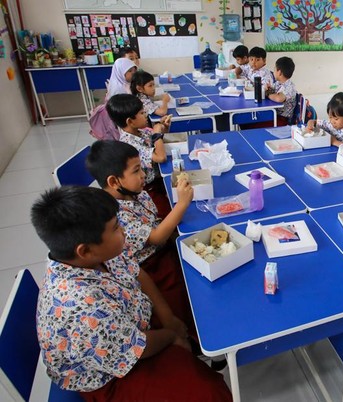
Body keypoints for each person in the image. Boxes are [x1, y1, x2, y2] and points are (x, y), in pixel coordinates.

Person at [31, 186, 232, 401]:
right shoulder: (82, 308)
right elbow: (137, 349)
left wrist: (168, 317)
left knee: (197, 303)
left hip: (128, 327)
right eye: (117, 227)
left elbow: (136, 272)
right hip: (111, 376)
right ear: (85, 250)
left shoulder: (89, 254)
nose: (124, 231)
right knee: (208, 392)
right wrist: (171, 336)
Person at [86, 140, 196, 338]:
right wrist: (182, 204)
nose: (144, 175)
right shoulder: (116, 213)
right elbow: (156, 237)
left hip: (163, 250)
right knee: (187, 294)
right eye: (136, 171)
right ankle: (192, 336)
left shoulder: (137, 193)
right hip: (149, 265)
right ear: (114, 182)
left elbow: (155, 222)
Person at [106, 93, 172, 218]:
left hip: (158, 179)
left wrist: (163, 127)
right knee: (171, 213)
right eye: (142, 113)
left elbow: (157, 140)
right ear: (130, 121)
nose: (146, 115)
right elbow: (160, 157)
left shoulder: (141, 131)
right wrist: (157, 135)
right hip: (147, 188)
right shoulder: (129, 144)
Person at [267, 56, 297, 126]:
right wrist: (268, 88)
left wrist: (268, 94)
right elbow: (271, 89)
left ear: (279, 72)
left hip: (282, 119)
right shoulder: (278, 83)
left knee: (251, 124)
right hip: (274, 114)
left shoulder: (290, 86)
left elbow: (279, 98)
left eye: (274, 69)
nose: (273, 72)